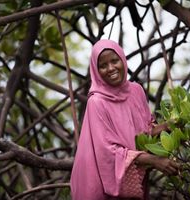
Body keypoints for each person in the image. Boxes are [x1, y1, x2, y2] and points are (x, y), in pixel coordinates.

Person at [70, 39, 178, 200]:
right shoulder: (97, 102)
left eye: (114, 61)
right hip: (98, 183)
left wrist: (166, 126)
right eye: (103, 65)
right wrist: (154, 160)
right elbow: (109, 153)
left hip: (134, 175)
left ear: (122, 59)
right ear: (96, 70)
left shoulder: (136, 91)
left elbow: (143, 134)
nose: (111, 68)